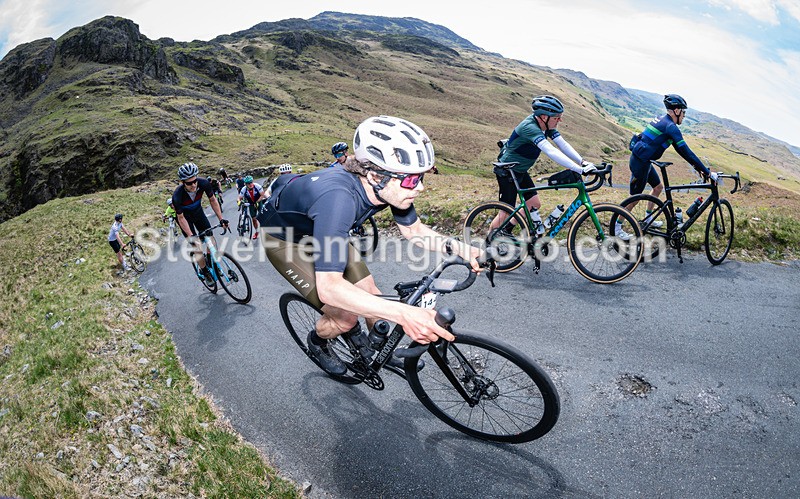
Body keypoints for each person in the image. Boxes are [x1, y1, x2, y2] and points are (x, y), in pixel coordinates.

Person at [258, 115, 482, 375]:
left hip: (323, 230)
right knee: (345, 317)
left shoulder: (387, 186)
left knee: (371, 293)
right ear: (376, 175)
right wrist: (403, 314)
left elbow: (415, 232)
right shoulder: (338, 199)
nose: (419, 188)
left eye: (422, 177)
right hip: (284, 241)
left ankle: (381, 351)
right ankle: (318, 343)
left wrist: (464, 249)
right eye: (411, 180)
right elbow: (330, 289)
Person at [493, 94, 597, 234]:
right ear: (543, 117)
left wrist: (582, 162)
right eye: (556, 117)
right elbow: (550, 150)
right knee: (505, 212)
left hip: (520, 171)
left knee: (533, 204)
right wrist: (579, 169)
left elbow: (562, 144)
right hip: (508, 172)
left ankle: (505, 231)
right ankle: (489, 241)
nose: (560, 120)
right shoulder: (529, 127)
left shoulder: (545, 125)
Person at [623, 94, 718, 234]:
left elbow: (681, 152)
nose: (684, 115)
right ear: (676, 110)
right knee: (634, 198)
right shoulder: (670, 127)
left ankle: (648, 219)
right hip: (640, 162)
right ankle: (617, 227)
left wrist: (700, 168)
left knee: (657, 187)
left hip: (643, 159)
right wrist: (707, 172)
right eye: (683, 112)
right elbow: (686, 152)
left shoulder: (662, 119)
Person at [173, 162, 229, 285]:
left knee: (211, 238)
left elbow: (213, 200)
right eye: (189, 183)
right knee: (197, 246)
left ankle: (211, 260)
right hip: (186, 220)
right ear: (183, 182)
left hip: (198, 214)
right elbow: (181, 218)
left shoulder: (203, 183)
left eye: (194, 181)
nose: (193, 185)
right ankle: (205, 272)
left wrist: (221, 219)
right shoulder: (177, 196)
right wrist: (191, 235)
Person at [238, 175, 267, 240]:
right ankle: (257, 232)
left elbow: (262, 195)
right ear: (245, 184)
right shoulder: (244, 189)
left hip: (258, 201)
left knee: (262, 217)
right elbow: (239, 197)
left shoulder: (257, 186)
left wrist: (257, 202)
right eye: (248, 183)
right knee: (254, 219)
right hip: (251, 203)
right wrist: (239, 202)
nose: (250, 184)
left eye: (251, 182)